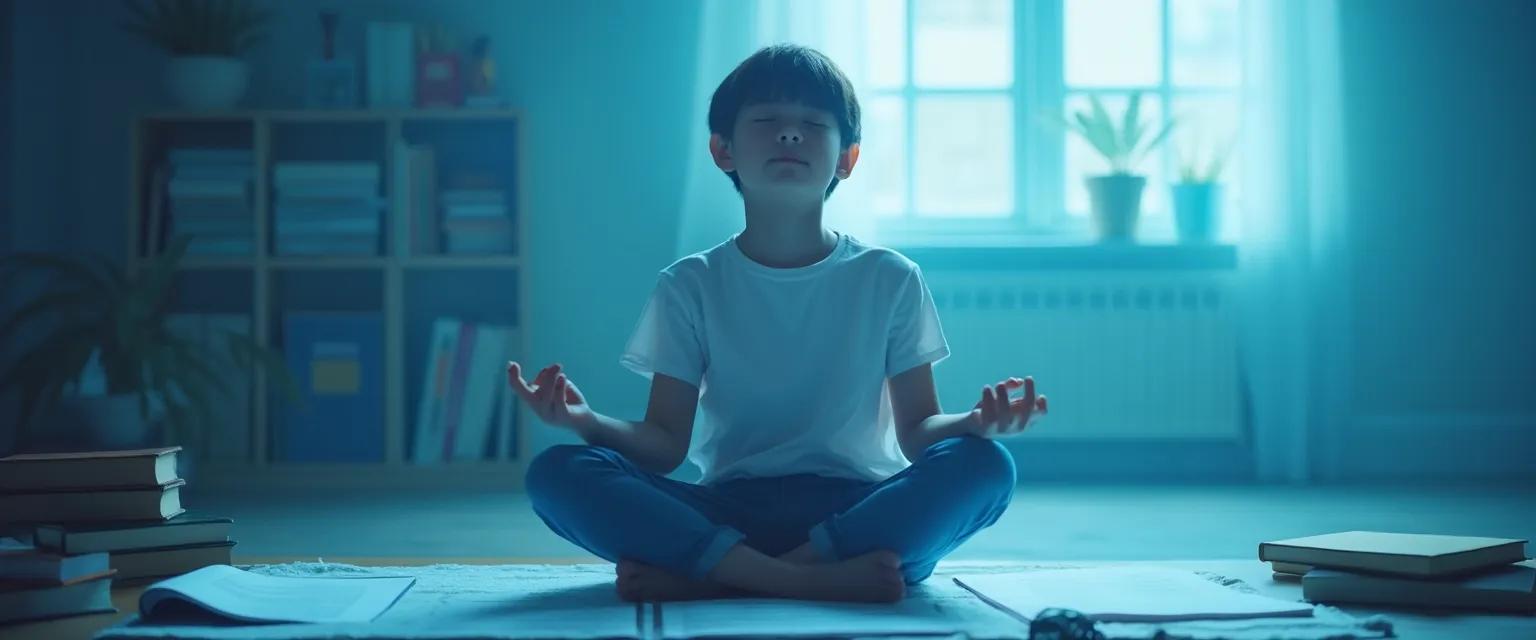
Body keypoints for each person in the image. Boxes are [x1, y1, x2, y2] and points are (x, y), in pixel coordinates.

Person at [509, 43, 1048, 604]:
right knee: (559, 472)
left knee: (985, 466)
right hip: (729, 510)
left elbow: (918, 435)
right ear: (723, 150)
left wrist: (977, 422)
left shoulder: (890, 278)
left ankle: (715, 577)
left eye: (813, 124)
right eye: (767, 121)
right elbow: (665, 444)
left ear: (847, 159)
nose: (790, 135)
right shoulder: (689, 284)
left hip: (858, 510)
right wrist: (587, 421)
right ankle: (802, 578)